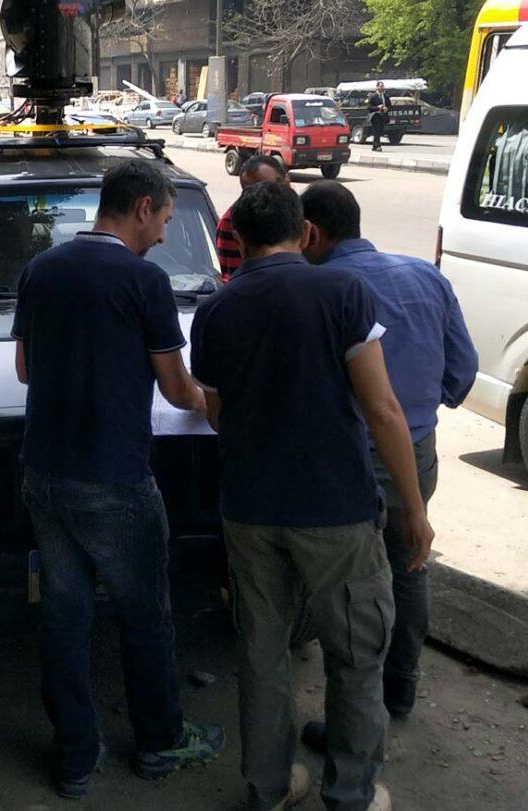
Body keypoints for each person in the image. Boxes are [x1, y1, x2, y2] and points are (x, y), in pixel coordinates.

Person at [191, 182, 434, 811]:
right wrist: (414, 507)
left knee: (263, 653)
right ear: (303, 233)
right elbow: (382, 409)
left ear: (238, 240)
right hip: (336, 510)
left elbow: (217, 413)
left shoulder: (215, 312)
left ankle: (270, 789)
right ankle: (350, 795)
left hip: (250, 509)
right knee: (354, 653)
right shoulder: (342, 292)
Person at [13, 159, 224, 799]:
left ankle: (76, 758)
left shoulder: (41, 269)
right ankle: (160, 741)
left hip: (44, 473)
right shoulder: (143, 281)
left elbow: (25, 370)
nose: (164, 233)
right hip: (114, 480)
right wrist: (222, 406)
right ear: (142, 208)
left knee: (64, 616)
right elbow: (177, 389)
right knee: (145, 614)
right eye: (164, 219)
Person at [299, 181, 476, 735]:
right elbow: (463, 370)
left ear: (310, 233)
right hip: (416, 453)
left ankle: (353, 720)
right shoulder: (426, 275)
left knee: (350, 587)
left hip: (346, 459)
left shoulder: (319, 289)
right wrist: (422, 404)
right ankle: (400, 689)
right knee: (408, 568)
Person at [215, 154, 287, 281]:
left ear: (285, 181)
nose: (260, 197)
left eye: (270, 189)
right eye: (251, 191)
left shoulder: (298, 214)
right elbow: (235, 280)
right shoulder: (232, 223)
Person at [366, 82, 389, 153]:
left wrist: (386, 108)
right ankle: (378, 145)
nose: (382, 88)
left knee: (380, 131)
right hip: (375, 116)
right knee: (376, 131)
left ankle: (374, 146)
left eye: (383, 86)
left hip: (383, 116)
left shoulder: (386, 96)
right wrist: (377, 107)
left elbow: (389, 106)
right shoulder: (373, 96)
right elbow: (369, 107)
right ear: (377, 87)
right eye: (380, 86)